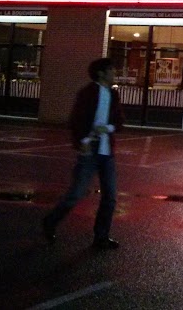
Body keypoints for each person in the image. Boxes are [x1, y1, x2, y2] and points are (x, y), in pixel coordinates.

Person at [42, 57, 125, 250]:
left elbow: (119, 121)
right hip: (90, 150)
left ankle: (101, 237)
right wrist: (82, 142)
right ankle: (51, 221)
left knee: (110, 196)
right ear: (101, 73)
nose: (115, 73)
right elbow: (76, 120)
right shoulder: (87, 93)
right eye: (111, 70)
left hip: (107, 151)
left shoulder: (113, 95)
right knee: (77, 193)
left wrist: (109, 128)